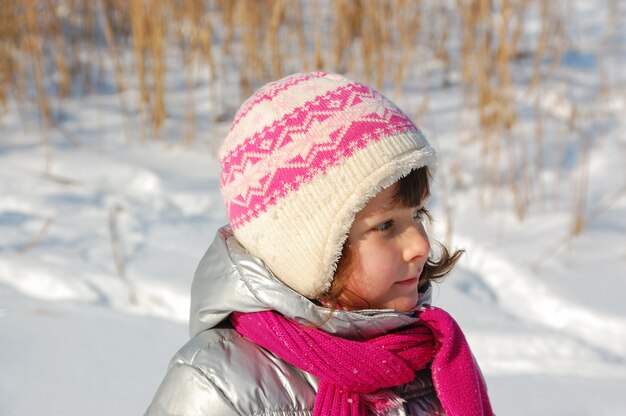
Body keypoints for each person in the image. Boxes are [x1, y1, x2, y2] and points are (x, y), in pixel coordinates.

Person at [145, 72, 493, 416]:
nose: (419, 244)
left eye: (417, 215)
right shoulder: (219, 384)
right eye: (385, 225)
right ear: (307, 251)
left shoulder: (440, 362)